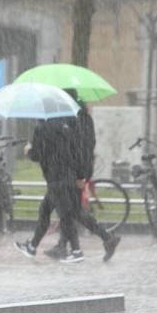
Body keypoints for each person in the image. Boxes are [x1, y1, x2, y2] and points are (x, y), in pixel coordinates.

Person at [43, 90, 121, 262]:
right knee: (69, 211)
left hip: (73, 172)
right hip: (72, 171)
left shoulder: (78, 120)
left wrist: (81, 175)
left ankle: (105, 238)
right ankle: (64, 245)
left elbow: (82, 149)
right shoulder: (78, 118)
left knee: (73, 211)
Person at [14, 116, 85, 263]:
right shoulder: (65, 127)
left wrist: (28, 151)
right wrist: (79, 175)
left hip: (56, 179)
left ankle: (77, 252)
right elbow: (75, 151)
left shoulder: (41, 129)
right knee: (45, 211)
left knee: (65, 216)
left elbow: (38, 155)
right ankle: (32, 247)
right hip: (67, 176)